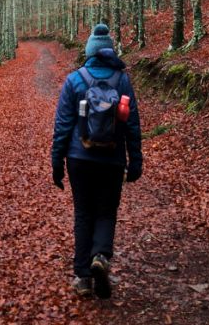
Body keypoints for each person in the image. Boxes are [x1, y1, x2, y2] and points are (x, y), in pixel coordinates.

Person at [51, 23, 142, 299]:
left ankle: (82, 278)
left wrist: (57, 163)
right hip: (112, 159)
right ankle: (100, 256)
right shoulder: (122, 80)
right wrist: (135, 160)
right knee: (105, 211)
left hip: (79, 159)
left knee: (83, 213)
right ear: (109, 51)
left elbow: (63, 127)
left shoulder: (74, 80)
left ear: (89, 51)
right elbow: (132, 126)